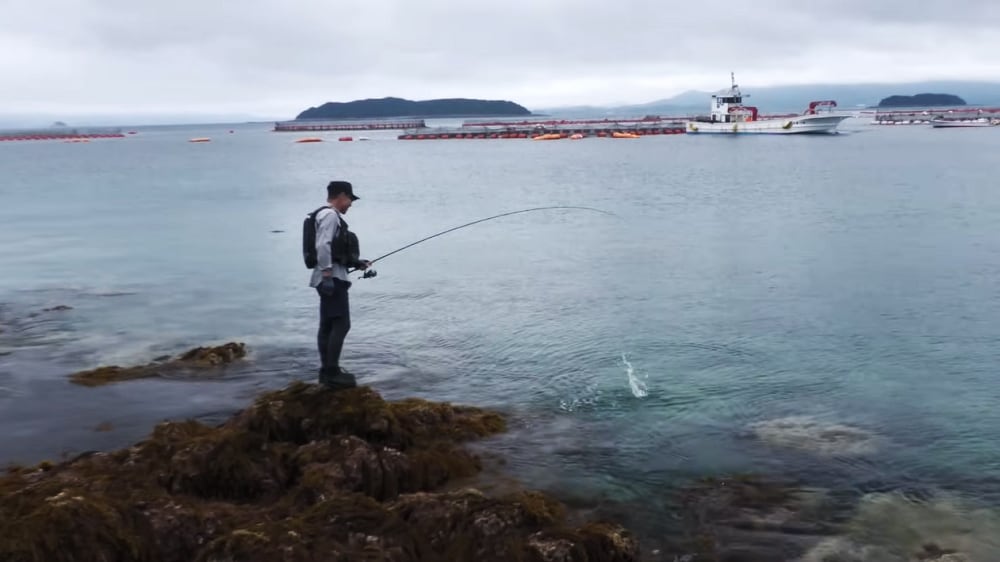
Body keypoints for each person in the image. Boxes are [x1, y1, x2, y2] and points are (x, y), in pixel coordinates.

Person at [310, 180, 370, 388]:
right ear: (341, 196)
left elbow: (333, 248)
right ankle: (332, 372)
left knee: (327, 324)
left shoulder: (321, 214)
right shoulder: (330, 215)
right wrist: (327, 273)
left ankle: (326, 371)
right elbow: (323, 244)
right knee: (342, 324)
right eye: (350, 199)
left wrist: (357, 262)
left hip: (328, 275)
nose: (351, 204)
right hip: (331, 277)